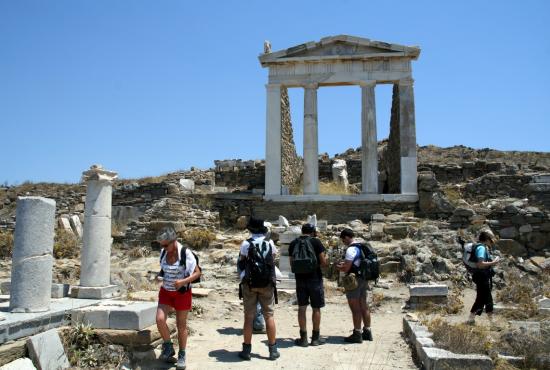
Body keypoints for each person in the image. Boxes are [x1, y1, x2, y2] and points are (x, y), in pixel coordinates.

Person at [155, 227, 201, 370]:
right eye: (161, 245)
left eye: (165, 245)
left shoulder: (185, 253)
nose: (163, 247)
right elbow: (164, 270)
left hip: (182, 293)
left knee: (181, 325)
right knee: (160, 319)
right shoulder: (163, 252)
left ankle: (182, 354)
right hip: (166, 292)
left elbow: (198, 273)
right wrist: (159, 277)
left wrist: (183, 282)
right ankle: (168, 346)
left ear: (173, 241)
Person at [237, 217, 280, 361]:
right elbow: (273, 258)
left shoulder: (246, 243)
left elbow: (242, 261)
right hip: (267, 284)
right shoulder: (269, 243)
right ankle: (273, 350)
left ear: (250, 229)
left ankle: (246, 350)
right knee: (269, 315)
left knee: (248, 317)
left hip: (249, 283)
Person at [289, 223, 328, 346]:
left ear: (302, 231)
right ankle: (315, 338)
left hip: (300, 279)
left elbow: (292, 264)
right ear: (313, 232)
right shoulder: (316, 242)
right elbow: (323, 262)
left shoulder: (293, 243)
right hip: (315, 278)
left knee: (302, 308)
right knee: (316, 308)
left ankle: (303, 339)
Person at [337, 228, 373, 343]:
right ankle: (367, 332)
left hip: (354, 281)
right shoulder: (361, 246)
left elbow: (346, 268)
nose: (343, 242)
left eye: (343, 240)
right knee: (364, 306)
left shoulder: (351, 250)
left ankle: (357, 333)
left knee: (355, 308)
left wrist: (338, 267)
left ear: (346, 237)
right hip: (363, 279)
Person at [467, 230, 500, 325]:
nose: (492, 242)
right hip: (481, 276)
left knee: (480, 298)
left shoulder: (481, 247)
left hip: (480, 276)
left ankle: (471, 319)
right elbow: (480, 264)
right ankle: (492, 323)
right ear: (487, 239)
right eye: (491, 240)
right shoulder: (481, 248)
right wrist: (494, 263)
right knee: (488, 299)